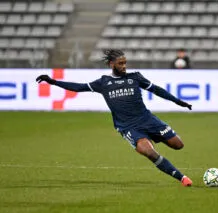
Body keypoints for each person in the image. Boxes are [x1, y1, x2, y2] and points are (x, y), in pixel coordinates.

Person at [36, 49, 193, 187]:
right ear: (111, 64)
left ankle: (151, 138)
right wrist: (53, 81)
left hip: (148, 120)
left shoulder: (135, 77)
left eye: (125, 63)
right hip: (128, 127)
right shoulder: (103, 82)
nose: (124, 66)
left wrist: (178, 101)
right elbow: (79, 87)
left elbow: (157, 90)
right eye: (120, 63)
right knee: (150, 153)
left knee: (178, 145)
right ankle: (182, 178)